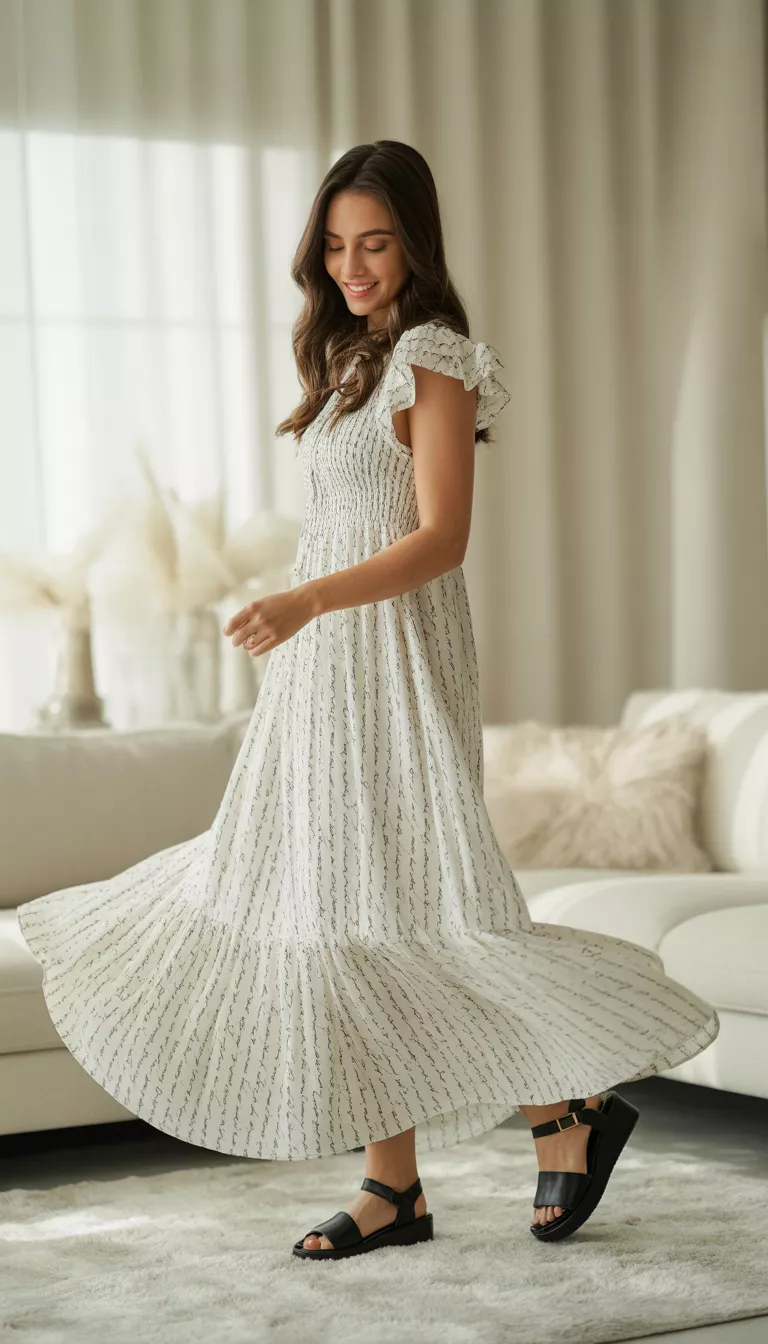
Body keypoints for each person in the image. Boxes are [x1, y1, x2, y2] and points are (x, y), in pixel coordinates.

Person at [17, 139, 720, 1263]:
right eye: (336, 245)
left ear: (415, 245)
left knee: (428, 903)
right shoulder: (347, 359)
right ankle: (397, 1185)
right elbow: (347, 523)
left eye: (375, 243)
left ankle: (565, 1104)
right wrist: (299, 622)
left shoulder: (435, 356)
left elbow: (441, 540)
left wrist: (303, 600)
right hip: (324, 678)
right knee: (334, 912)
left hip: (396, 664)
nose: (352, 265)